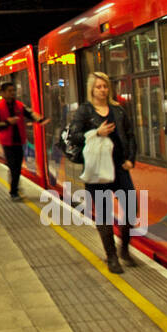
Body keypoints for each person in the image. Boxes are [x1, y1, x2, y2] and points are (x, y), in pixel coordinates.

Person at [67, 71, 138, 273]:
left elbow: (131, 135)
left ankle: (124, 249)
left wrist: (130, 160)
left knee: (131, 210)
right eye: (98, 87)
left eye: (105, 86)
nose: (103, 90)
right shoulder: (84, 111)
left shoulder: (118, 110)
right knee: (104, 214)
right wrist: (96, 133)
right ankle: (112, 257)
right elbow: (73, 136)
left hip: (119, 167)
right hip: (97, 169)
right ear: (92, 89)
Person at [0, 81, 47, 198]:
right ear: (3, 93)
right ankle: (14, 191)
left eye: (13, 91)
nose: (12, 93)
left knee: (17, 167)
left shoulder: (19, 105)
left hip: (19, 141)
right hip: (7, 142)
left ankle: (14, 185)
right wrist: (7, 122)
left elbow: (30, 113)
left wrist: (41, 120)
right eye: (9, 91)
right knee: (13, 167)